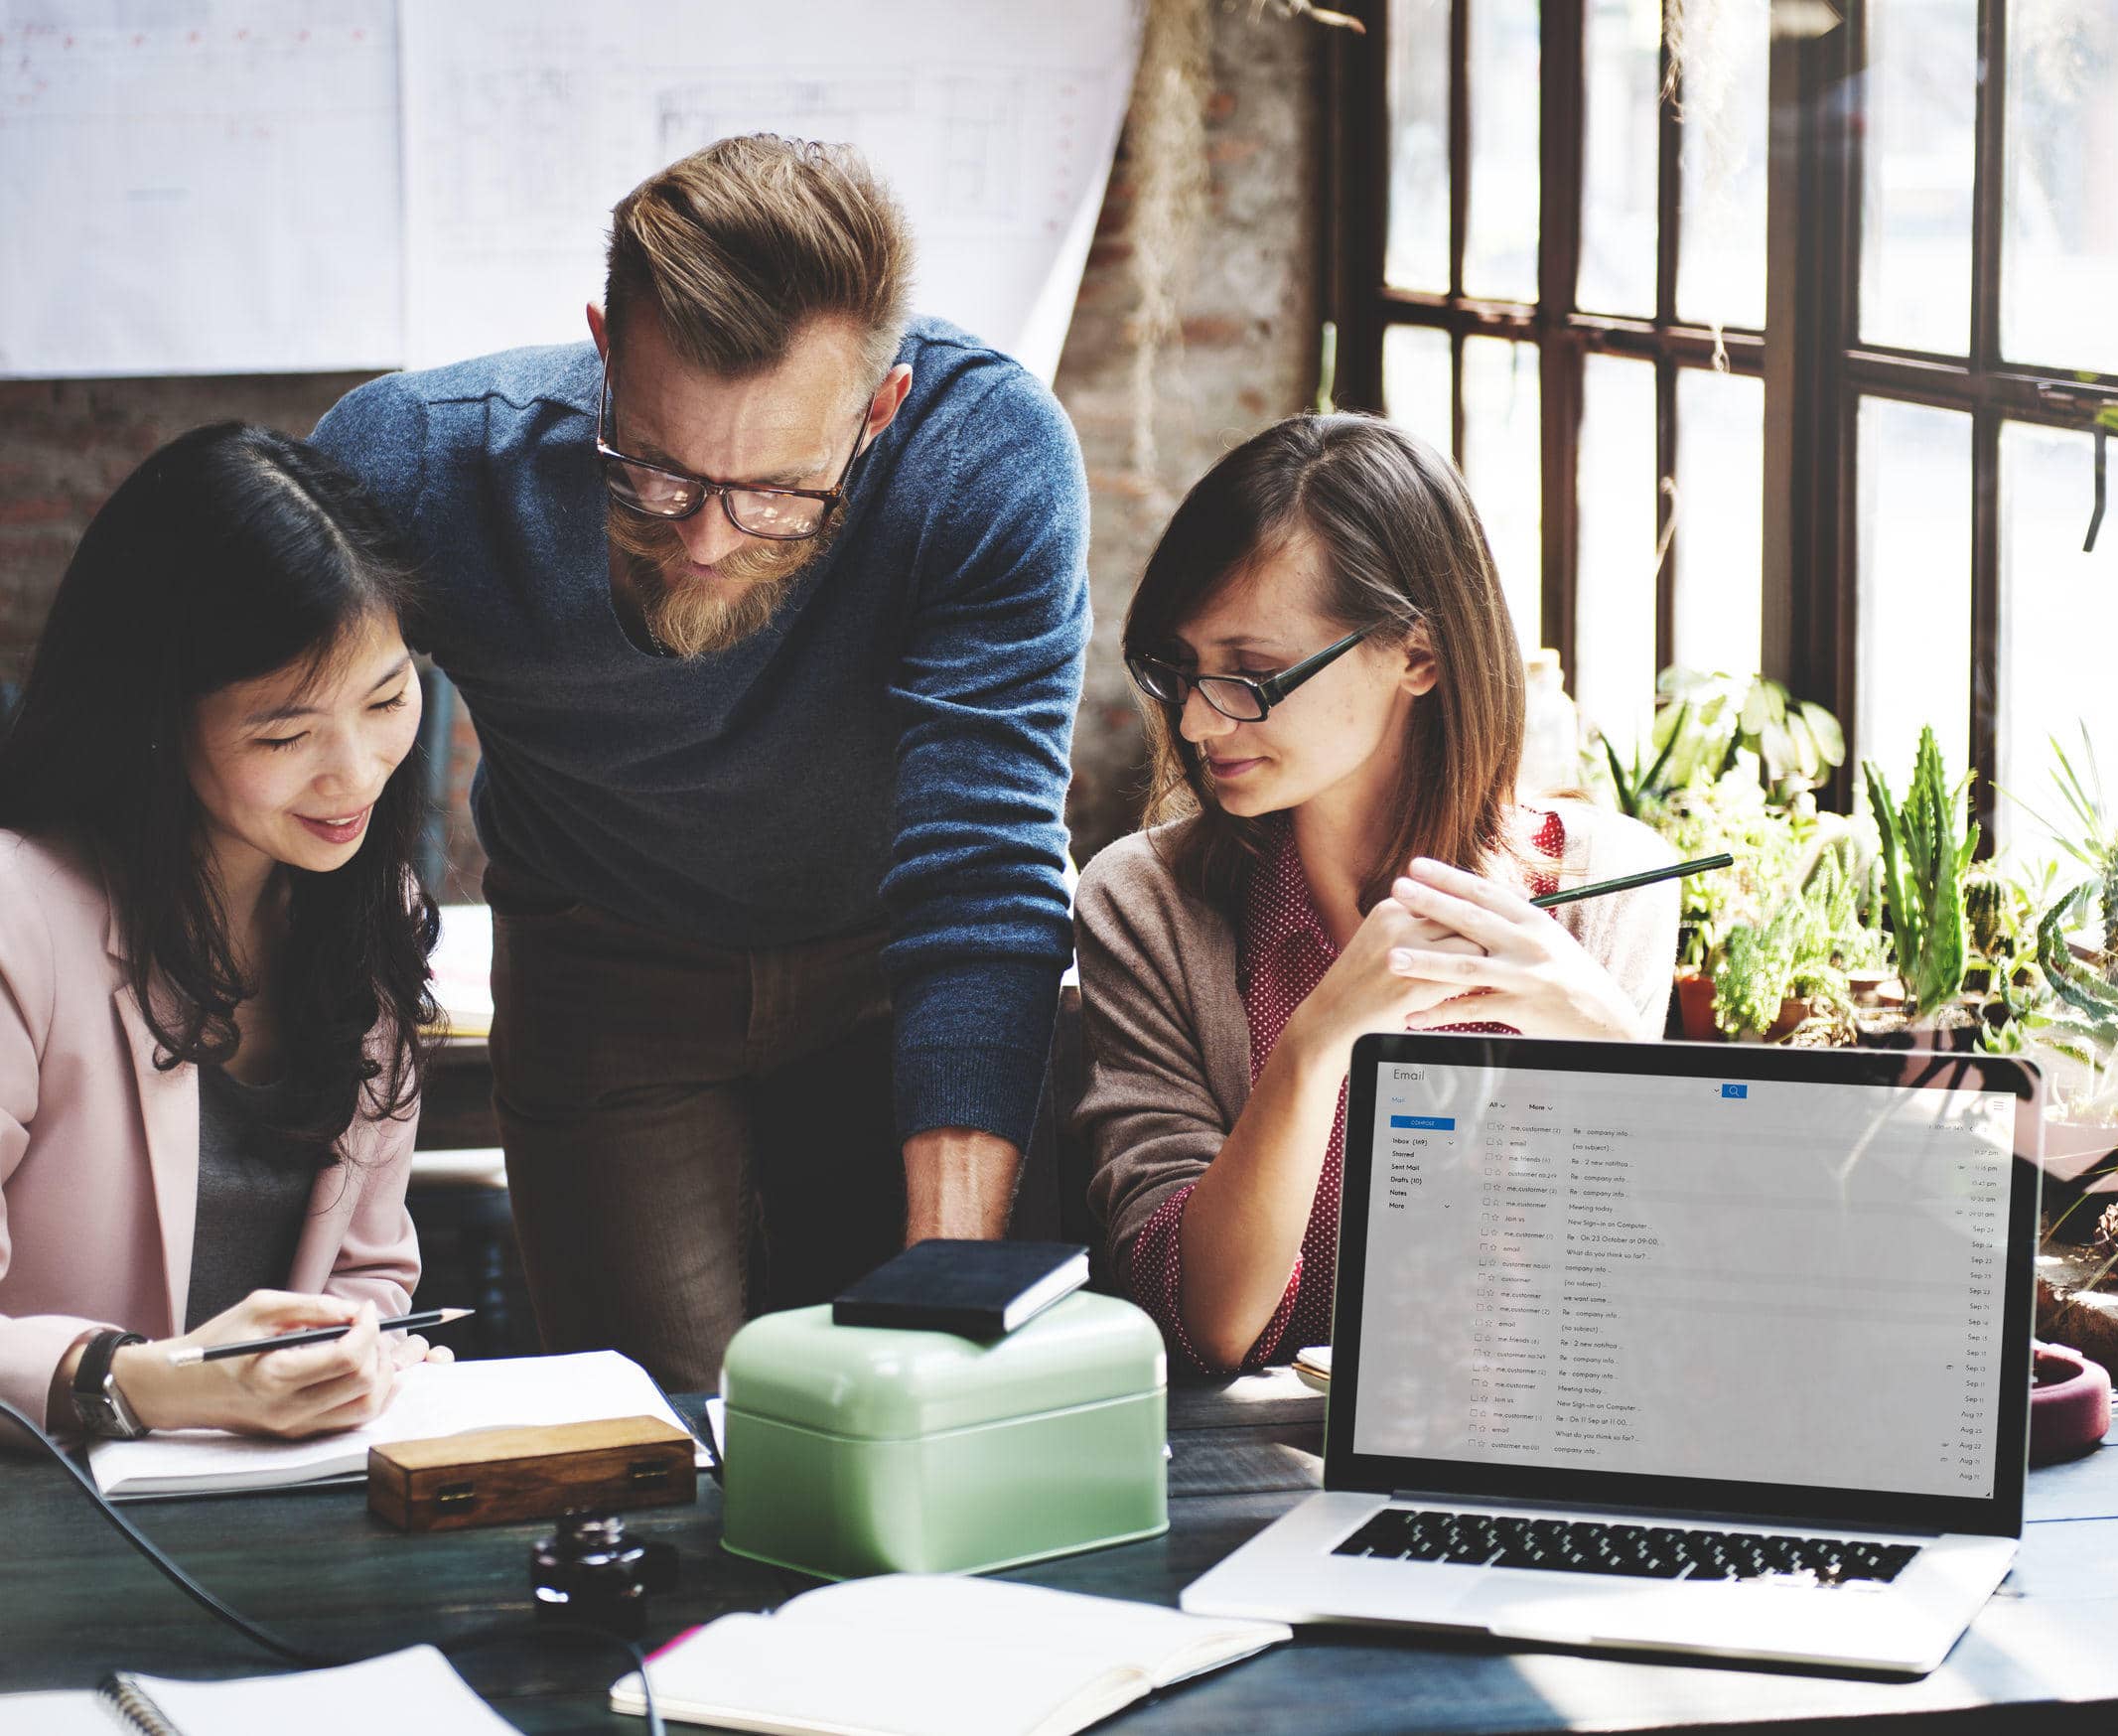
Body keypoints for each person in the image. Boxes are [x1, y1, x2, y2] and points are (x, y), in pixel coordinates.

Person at [312, 135, 1088, 1389]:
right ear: (604, 351)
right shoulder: (417, 464)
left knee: (906, 1402)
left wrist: (952, 1284)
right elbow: (296, 782)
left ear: (878, 407)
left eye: (780, 491)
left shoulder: (983, 458)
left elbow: (984, 873)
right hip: (604, 968)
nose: (713, 540)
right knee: (667, 1437)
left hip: (893, 978)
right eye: (660, 472)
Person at [1073, 414, 1680, 1374]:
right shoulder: (1144, 903)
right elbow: (1203, 1322)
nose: (1194, 719)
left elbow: (1654, 1284)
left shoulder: (1603, 894)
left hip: (1531, 1446)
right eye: (1182, 668)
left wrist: (1599, 1030)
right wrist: (1315, 1044)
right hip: (1261, 1468)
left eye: (1252, 674)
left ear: (1420, 656)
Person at [0, 423, 447, 1441]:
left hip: (276, 1503)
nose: (354, 770)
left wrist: (360, 1352)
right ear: (159, 718)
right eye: (285, 732)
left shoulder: (374, 918)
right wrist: (157, 1382)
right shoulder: (19, 920)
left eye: (385, 698)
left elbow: (370, 1269)